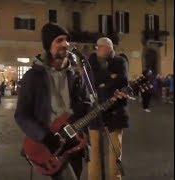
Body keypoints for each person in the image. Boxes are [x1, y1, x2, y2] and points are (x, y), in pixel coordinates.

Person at [14, 23, 128, 180]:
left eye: (66, 40)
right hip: (46, 146)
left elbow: (86, 106)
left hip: (73, 144)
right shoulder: (33, 77)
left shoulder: (75, 76)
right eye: (59, 40)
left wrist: (107, 104)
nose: (65, 44)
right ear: (48, 46)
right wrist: (45, 137)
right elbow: (21, 115)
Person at [87, 37, 129, 180]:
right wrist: (109, 77)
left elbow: (123, 80)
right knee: (94, 152)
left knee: (115, 151)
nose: (96, 49)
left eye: (99, 46)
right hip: (94, 111)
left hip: (115, 111)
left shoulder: (120, 61)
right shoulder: (92, 60)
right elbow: (91, 80)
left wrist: (104, 82)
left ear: (109, 47)